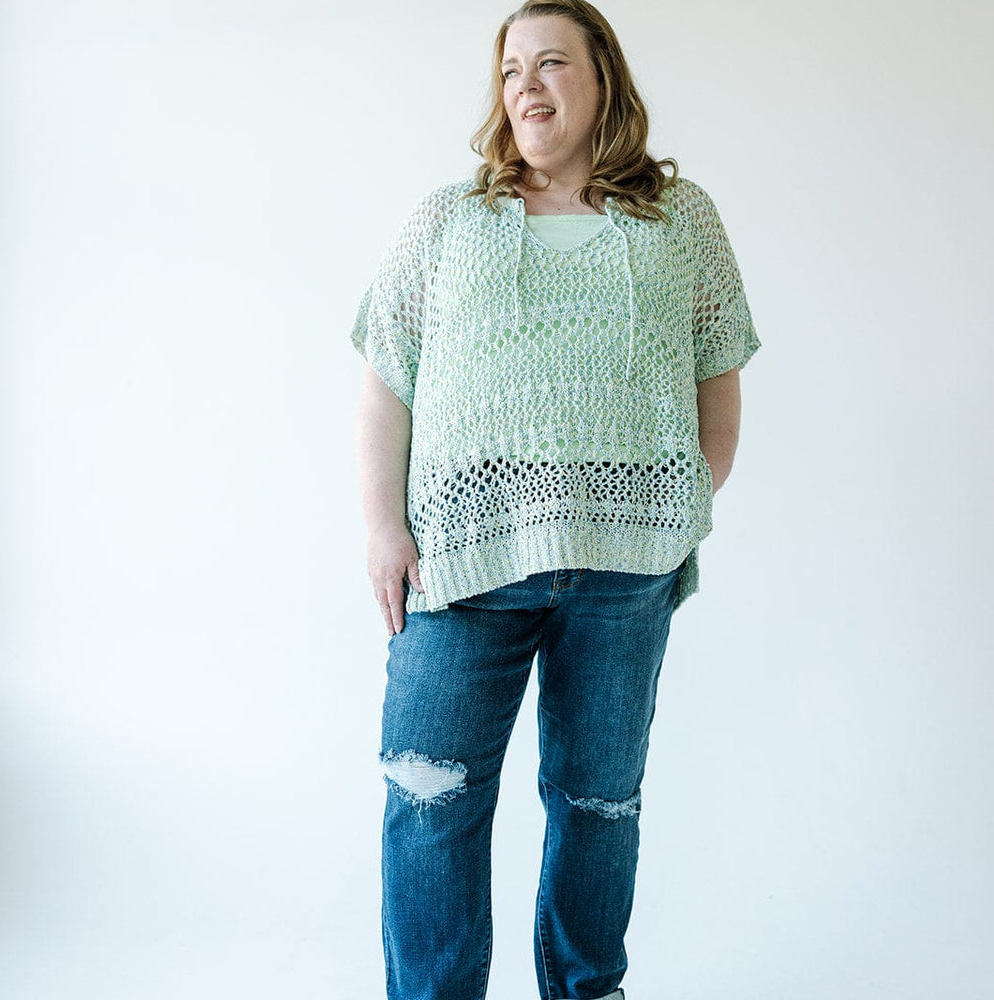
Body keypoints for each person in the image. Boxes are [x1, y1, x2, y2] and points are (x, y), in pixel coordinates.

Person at [351, 2, 759, 997]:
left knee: (597, 803)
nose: (526, 84)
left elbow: (716, 376)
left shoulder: (677, 216)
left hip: (624, 574)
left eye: (550, 62)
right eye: (509, 70)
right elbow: (385, 377)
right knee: (429, 795)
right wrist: (381, 530)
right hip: (462, 559)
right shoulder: (450, 220)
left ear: (602, 77)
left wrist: (676, 509)